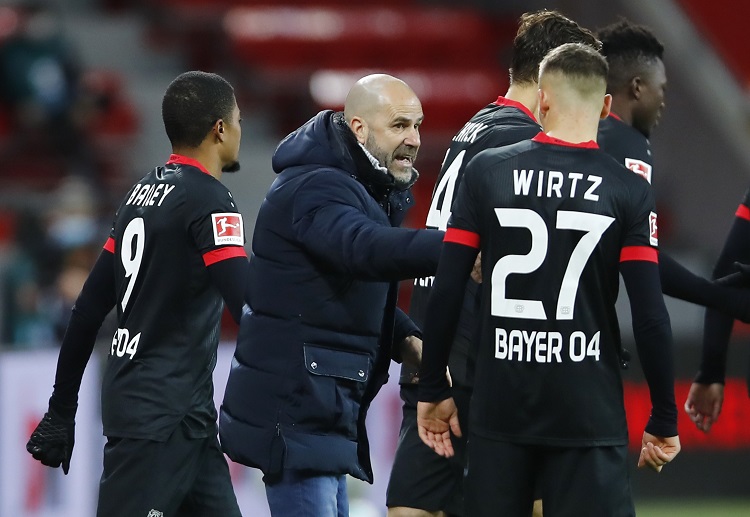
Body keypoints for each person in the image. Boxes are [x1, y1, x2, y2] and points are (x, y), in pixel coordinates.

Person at [416, 42, 681, 516]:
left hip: (500, 407)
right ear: (604, 106)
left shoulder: (487, 171)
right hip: (587, 408)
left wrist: (434, 387)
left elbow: (448, 288)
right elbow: (650, 314)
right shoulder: (628, 189)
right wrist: (663, 415)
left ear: (542, 99)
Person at [386, 10, 600, 517]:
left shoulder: (477, 127)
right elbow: (518, 273)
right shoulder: (519, 147)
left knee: (416, 504)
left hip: (436, 342)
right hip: (486, 357)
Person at [218, 73, 444, 516]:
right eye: (399, 125)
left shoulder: (357, 187)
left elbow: (351, 289)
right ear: (359, 128)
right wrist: (455, 247)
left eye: (417, 126)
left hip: (318, 411)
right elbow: (362, 249)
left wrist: (409, 343)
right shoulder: (317, 185)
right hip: (298, 411)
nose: (414, 139)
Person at [25, 70, 248, 517]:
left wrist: (61, 408)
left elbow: (87, 309)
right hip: (158, 418)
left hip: (185, 418)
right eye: (238, 120)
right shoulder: (211, 201)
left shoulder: (138, 197)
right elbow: (249, 305)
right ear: (219, 128)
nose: (241, 131)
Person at [597, 18, 750, 321]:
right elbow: (638, 254)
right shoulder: (627, 147)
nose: (663, 100)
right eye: (660, 87)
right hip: (568, 341)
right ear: (637, 86)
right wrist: (717, 296)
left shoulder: (554, 137)